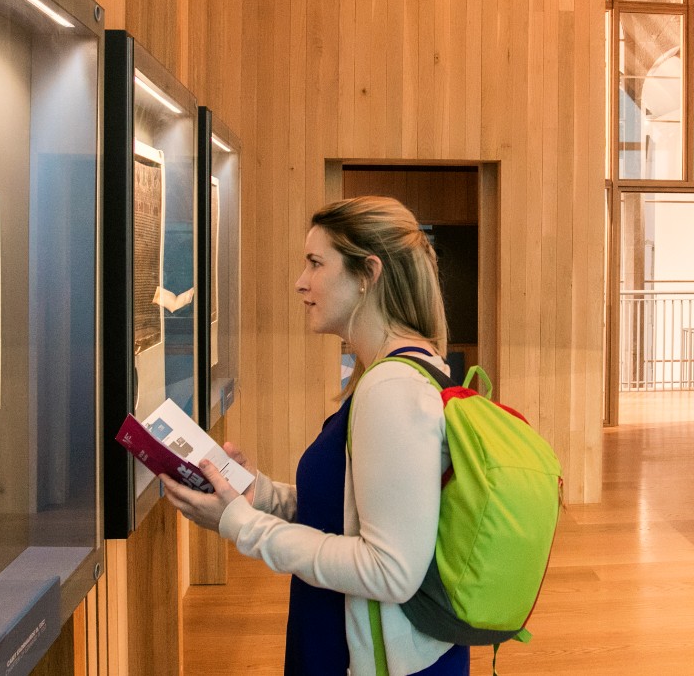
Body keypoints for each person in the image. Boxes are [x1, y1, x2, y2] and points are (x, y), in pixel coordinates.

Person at [159, 196, 467, 676]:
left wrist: (240, 524)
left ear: (367, 274)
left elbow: (390, 571)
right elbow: (351, 512)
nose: (301, 282)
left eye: (316, 263)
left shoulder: (392, 388)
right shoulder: (388, 373)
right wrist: (256, 493)